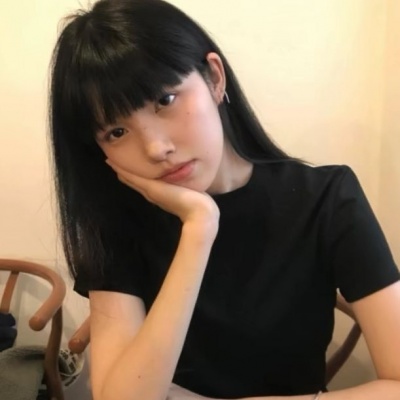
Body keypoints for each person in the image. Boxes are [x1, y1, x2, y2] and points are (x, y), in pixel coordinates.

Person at [48, 0, 400, 399]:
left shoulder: (326, 199)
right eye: (116, 132)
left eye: (165, 100)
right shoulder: (117, 223)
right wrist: (199, 229)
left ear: (214, 77)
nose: (155, 148)